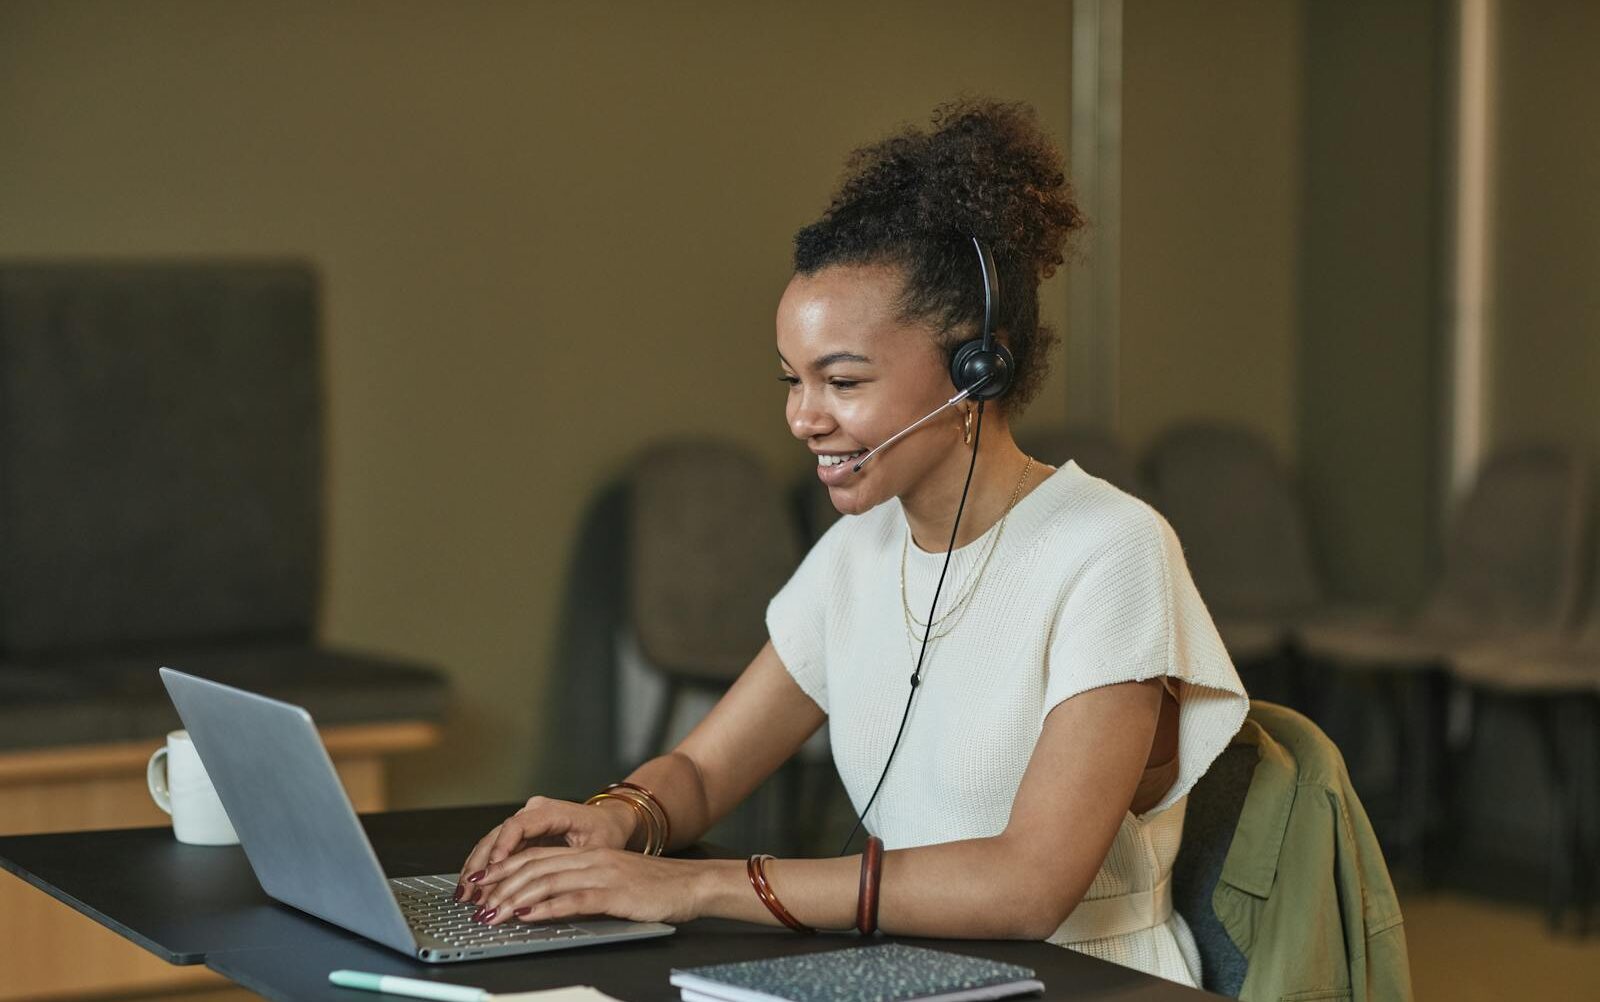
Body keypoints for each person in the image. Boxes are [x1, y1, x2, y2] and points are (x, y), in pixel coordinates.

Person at [455, 99, 1248, 987]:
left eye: (843, 380)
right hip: (904, 974)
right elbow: (702, 772)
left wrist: (692, 886)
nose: (802, 417)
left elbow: (1028, 888)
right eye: (794, 381)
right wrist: (619, 820)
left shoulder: (1111, 551)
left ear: (977, 368)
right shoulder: (856, 551)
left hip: (1084, 979)